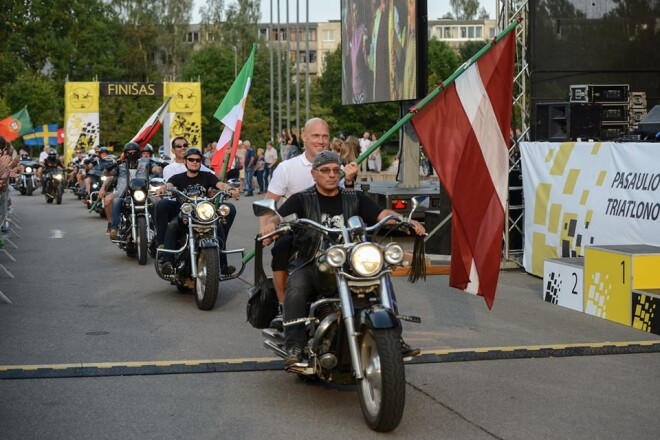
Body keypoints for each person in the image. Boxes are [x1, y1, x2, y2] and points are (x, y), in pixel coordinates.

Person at [260, 151, 425, 366]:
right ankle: (295, 344)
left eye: (336, 170)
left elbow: (380, 214)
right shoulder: (301, 199)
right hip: (313, 261)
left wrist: (403, 220)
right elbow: (278, 216)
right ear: (314, 174)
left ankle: (395, 339)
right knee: (297, 287)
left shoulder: (353, 198)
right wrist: (271, 225)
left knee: (382, 278)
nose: (331, 175)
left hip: (351, 263)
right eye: (325, 170)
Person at [260, 118, 359, 327]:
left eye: (324, 136)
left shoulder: (336, 165)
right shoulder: (286, 168)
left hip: (331, 230)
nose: (321, 141)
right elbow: (269, 203)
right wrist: (266, 228)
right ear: (304, 137)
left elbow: (350, 202)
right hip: (297, 231)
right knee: (282, 247)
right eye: (315, 136)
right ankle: (282, 306)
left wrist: (349, 180)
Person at [159, 148, 239, 275]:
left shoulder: (207, 176)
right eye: (191, 159)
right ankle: (167, 262)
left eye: (198, 160)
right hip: (185, 213)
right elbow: (169, 185)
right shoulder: (178, 177)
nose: (195, 162)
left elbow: (220, 185)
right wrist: (164, 188)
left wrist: (230, 189)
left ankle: (223, 266)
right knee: (173, 225)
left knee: (217, 227)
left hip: (204, 214)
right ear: (185, 161)